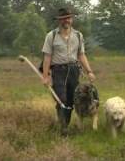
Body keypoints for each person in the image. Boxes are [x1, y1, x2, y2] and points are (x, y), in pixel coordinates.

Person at [41, 8, 96, 136]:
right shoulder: (51, 36)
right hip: (58, 71)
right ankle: (63, 128)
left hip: (74, 70)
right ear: (59, 21)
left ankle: (65, 124)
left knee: (72, 100)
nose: (66, 21)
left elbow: (81, 55)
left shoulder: (78, 35)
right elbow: (47, 57)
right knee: (61, 99)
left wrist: (89, 71)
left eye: (68, 18)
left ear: (72, 19)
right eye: (63, 19)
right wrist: (45, 76)